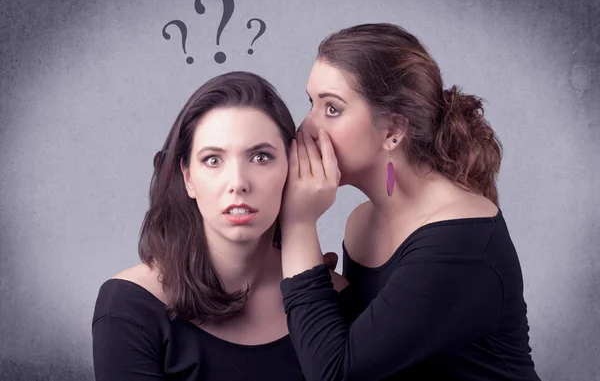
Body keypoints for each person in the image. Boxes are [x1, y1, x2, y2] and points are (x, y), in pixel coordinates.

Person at [279, 23, 541, 380]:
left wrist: (298, 224)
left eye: (332, 109)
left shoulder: (460, 240)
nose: (306, 128)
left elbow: (335, 373)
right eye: (312, 104)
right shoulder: (362, 224)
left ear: (393, 131)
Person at [91, 71, 347, 380]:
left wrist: (301, 225)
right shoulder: (130, 307)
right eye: (213, 160)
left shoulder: (335, 298)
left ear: (292, 168)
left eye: (261, 157)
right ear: (187, 178)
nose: (238, 183)